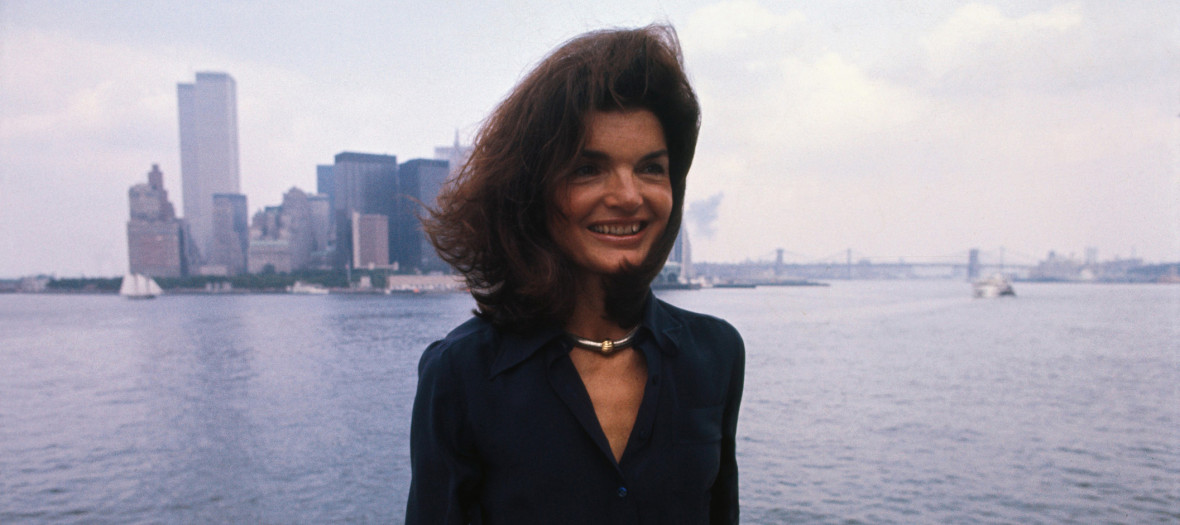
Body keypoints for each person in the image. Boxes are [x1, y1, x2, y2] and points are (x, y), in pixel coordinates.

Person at [407, 25, 745, 525]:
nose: (629, 196)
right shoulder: (462, 376)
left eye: (651, 169)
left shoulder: (716, 355)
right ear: (533, 190)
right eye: (589, 168)